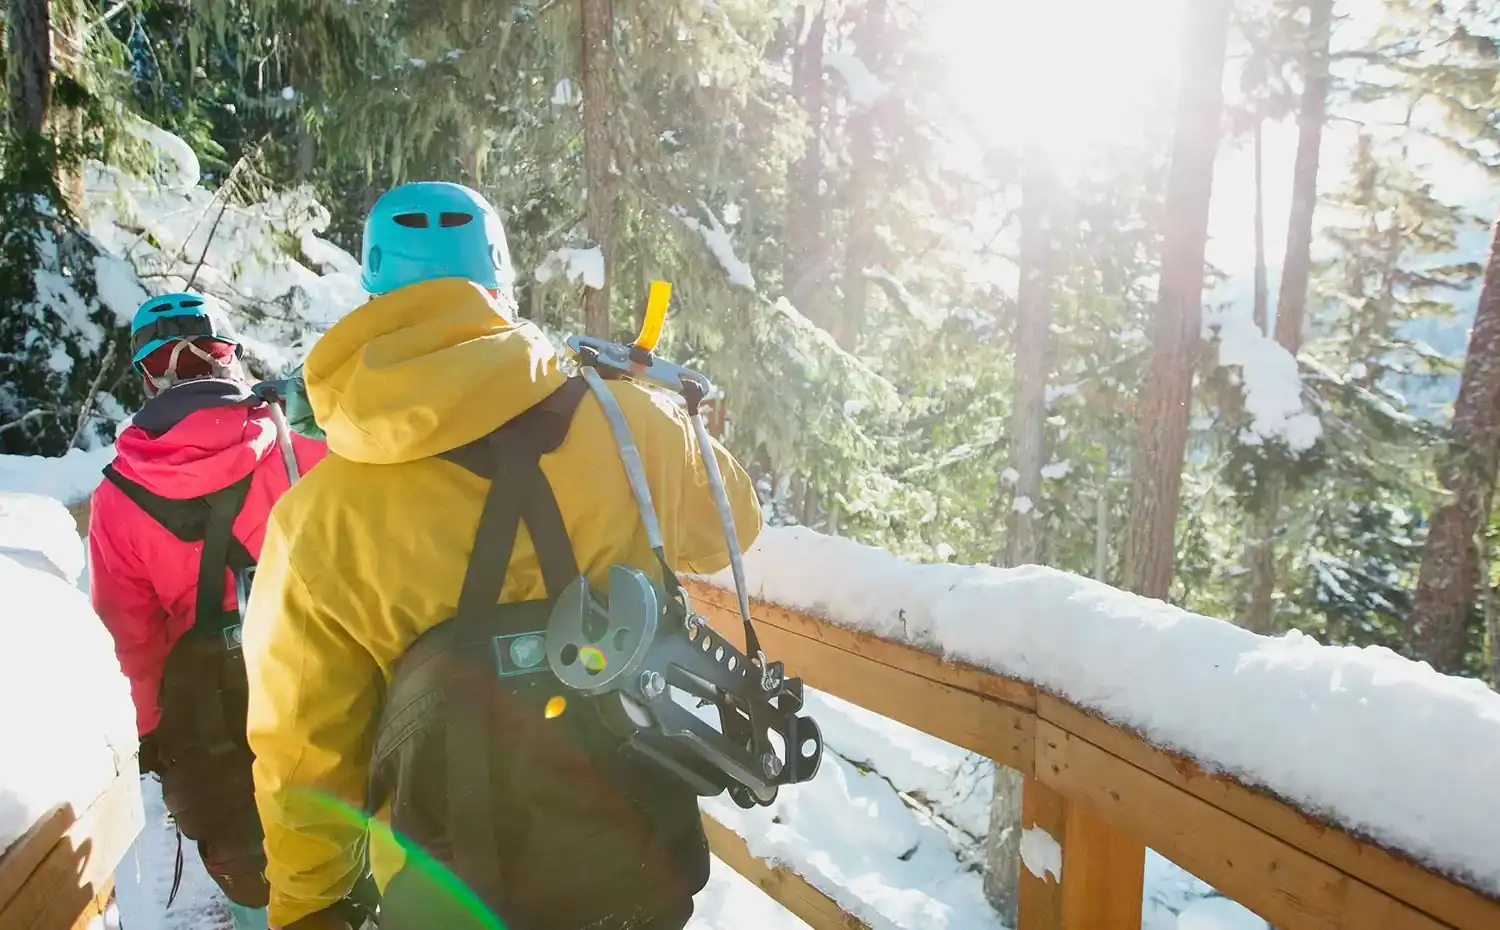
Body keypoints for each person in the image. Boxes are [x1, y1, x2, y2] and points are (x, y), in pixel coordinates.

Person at [241, 181, 763, 930]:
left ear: (374, 291)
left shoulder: (314, 518)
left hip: (446, 893)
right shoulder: (630, 424)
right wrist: (656, 413)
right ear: (498, 282)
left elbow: (301, 748)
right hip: (636, 871)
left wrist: (307, 904)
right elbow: (734, 527)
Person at [88, 293, 327, 930]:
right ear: (235, 357)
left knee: (247, 863)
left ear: (144, 376)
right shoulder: (298, 444)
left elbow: (129, 639)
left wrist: (152, 736)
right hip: (319, 684)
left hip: (209, 720)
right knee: (349, 844)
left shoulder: (117, 495)